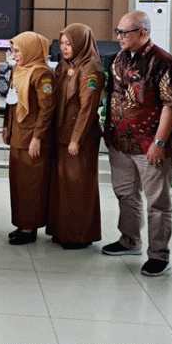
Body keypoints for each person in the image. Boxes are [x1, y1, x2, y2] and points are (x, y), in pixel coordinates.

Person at [102, 11, 172, 276]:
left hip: (150, 143)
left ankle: (159, 255)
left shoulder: (164, 63)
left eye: (124, 33)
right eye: (118, 32)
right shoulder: (119, 59)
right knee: (126, 194)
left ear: (143, 33)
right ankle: (130, 241)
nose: (119, 37)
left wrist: (159, 142)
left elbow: (171, 106)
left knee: (157, 202)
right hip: (120, 141)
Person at [46, 23, 105, 249]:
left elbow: (87, 109)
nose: (64, 48)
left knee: (79, 186)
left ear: (81, 43)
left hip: (79, 139)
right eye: (61, 43)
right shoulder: (64, 66)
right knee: (63, 185)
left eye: (69, 43)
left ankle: (79, 235)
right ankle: (62, 230)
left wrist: (76, 138)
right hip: (61, 134)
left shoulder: (90, 69)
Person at [3, 32, 55, 245]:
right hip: (17, 135)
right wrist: (6, 127)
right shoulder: (19, 69)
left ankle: (29, 228)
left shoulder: (42, 74)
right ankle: (21, 223)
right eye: (13, 51)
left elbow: (47, 109)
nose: (14, 55)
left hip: (32, 139)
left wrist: (37, 138)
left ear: (31, 50)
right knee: (18, 183)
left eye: (18, 51)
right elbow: (10, 101)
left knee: (31, 185)